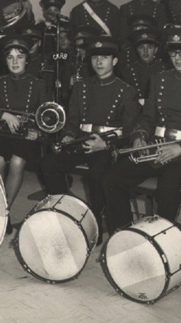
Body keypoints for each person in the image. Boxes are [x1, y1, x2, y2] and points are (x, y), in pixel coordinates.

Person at [102, 28, 181, 234]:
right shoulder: (159, 79)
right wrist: (139, 137)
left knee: (167, 191)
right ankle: (124, 234)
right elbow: (147, 118)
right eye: (173, 53)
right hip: (154, 147)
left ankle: (162, 241)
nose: (177, 58)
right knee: (112, 179)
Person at [40, 36, 141, 237]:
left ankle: (94, 221)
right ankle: (66, 210)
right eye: (95, 58)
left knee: (98, 173)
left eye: (105, 58)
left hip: (106, 145)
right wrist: (69, 135)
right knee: (49, 163)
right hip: (82, 139)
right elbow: (72, 120)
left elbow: (130, 131)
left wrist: (106, 144)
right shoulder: (81, 87)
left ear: (114, 61)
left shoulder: (127, 91)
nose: (99, 62)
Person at [0, 35, 49, 233]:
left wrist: (39, 134)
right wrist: (3, 114)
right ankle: (1, 211)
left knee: (18, 161)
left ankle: (3, 211)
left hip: (25, 137)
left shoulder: (38, 84)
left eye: (19, 57)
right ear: (5, 61)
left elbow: (48, 119)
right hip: (1, 135)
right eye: (10, 57)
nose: (15, 61)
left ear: (27, 59)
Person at [120, 28, 167, 106]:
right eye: (141, 47)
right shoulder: (128, 72)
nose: (145, 51)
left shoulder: (165, 69)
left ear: (156, 50)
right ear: (137, 50)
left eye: (150, 47)